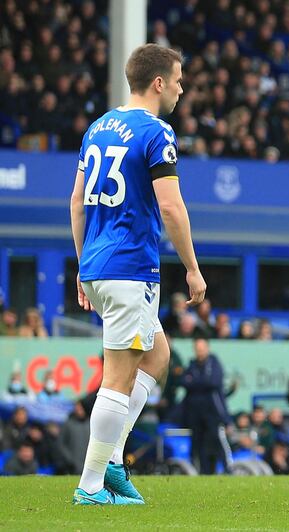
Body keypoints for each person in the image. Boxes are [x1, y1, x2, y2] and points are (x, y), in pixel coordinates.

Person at [69, 43, 206, 505]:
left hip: (99, 262)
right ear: (159, 82)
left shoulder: (97, 127)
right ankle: (90, 486)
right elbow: (170, 205)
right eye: (180, 79)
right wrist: (192, 267)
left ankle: (110, 459)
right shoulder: (156, 132)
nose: (183, 88)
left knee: (158, 357)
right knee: (118, 377)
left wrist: (83, 263)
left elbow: (76, 201)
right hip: (129, 266)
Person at [180, 336, 231, 474]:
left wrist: (195, 382)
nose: (200, 352)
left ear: (207, 348)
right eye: (197, 349)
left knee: (217, 442)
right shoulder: (191, 365)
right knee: (198, 445)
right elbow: (184, 381)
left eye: (202, 349)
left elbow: (214, 382)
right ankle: (200, 472)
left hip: (213, 413)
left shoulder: (214, 363)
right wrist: (202, 382)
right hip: (195, 414)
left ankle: (228, 469)